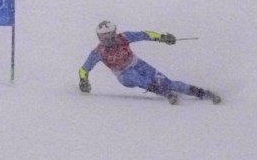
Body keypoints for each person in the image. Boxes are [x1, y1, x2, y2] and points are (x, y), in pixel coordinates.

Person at [78, 20, 221, 104]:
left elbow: (144, 35)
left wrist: (162, 38)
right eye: (104, 38)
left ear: (115, 33)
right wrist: (84, 81)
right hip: (123, 74)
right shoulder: (98, 52)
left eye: (110, 36)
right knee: (134, 77)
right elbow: (84, 69)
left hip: (139, 64)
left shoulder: (124, 37)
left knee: (167, 82)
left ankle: (201, 93)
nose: (108, 40)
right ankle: (164, 93)